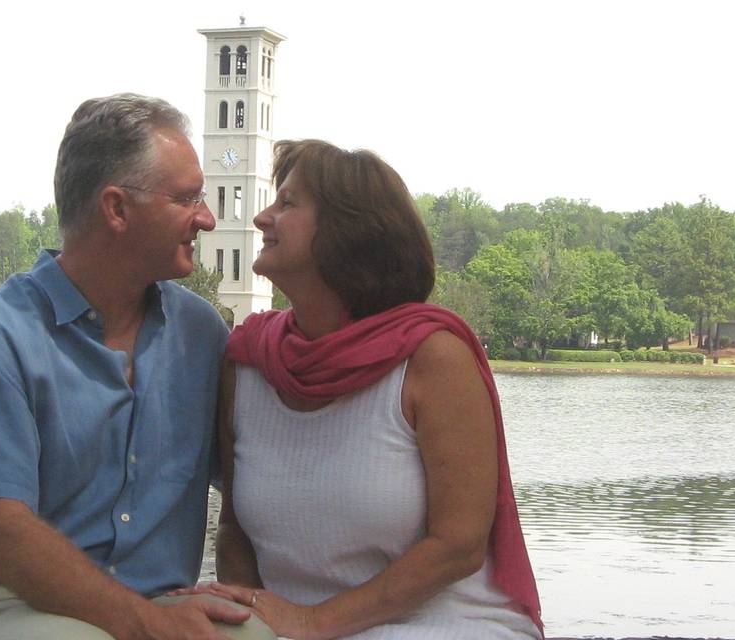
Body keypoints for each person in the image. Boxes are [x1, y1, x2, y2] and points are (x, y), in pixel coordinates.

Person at [0, 94, 275, 640]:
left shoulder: (202, 334)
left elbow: (255, 490)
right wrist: (148, 624)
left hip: (158, 600)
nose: (207, 217)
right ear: (117, 209)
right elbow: (1, 539)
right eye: (188, 199)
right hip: (1, 601)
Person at [175, 139, 544, 639]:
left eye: (287, 203)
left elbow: (458, 546)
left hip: (443, 625)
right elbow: (235, 531)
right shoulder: (246, 361)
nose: (262, 218)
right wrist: (249, 620)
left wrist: (315, 622)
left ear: (346, 231)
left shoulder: (432, 357)